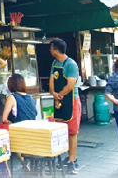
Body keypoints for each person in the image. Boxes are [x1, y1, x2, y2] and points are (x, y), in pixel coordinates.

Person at [49, 39, 81, 175]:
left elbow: (70, 85)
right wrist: (53, 93)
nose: (50, 51)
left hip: (71, 101)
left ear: (56, 50)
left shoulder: (71, 64)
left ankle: (72, 160)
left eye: (51, 48)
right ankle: (63, 158)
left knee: (72, 132)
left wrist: (59, 96)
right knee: (60, 131)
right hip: (59, 100)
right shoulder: (54, 63)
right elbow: (52, 79)